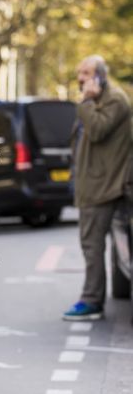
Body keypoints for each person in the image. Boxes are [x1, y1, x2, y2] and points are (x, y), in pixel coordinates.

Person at [63, 55, 131, 321]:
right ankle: (93, 298)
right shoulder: (99, 101)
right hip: (94, 184)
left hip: (106, 186)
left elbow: (98, 129)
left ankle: (91, 301)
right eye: (80, 72)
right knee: (93, 246)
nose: (81, 78)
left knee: (93, 247)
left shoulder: (113, 100)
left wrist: (87, 102)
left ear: (101, 75)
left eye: (87, 73)